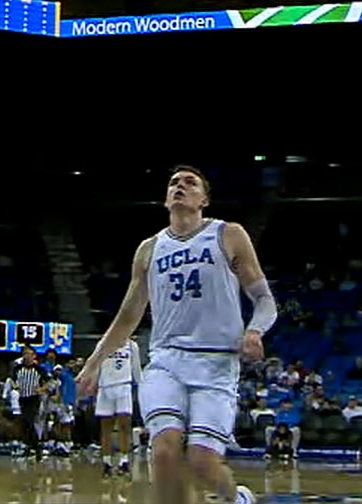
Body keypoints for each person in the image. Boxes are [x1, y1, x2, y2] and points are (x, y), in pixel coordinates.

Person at [78, 167, 268, 504]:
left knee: (201, 462)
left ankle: (236, 497)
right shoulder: (149, 249)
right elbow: (128, 316)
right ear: (166, 200)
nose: (180, 186)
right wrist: (94, 363)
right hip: (166, 361)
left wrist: (254, 330)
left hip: (216, 363)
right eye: (173, 183)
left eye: (190, 183)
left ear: (204, 200)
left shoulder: (228, 234)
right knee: (164, 453)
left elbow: (264, 299)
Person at [96, 338, 142, 476]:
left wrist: (142, 387)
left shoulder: (132, 346)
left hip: (124, 387)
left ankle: (124, 461)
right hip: (105, 387)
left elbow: (136, 369)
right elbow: (96, 365)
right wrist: (93, 384)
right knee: (106, 428)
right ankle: (106, 462)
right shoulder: (103, 343)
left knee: (124, 426)